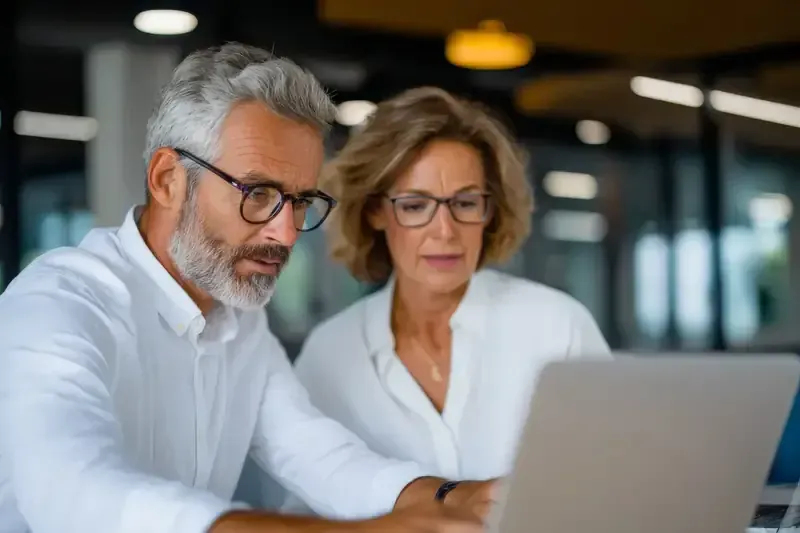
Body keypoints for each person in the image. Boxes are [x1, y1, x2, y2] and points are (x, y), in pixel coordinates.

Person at [0, 44, 493, 533]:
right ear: (169, 179)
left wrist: (458, 498)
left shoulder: (238, 321)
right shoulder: (56, 306)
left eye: (300, 201)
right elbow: (76, 492)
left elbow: (320, 456)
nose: (286, 233)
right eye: (258, 194)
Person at [284, 87, 611, 512]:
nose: (445, 230)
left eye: (465, 202)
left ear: (490, 211)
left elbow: (613, 482)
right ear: (375, 211)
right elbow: (305, 514)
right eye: (416, 205)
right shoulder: (329, 354)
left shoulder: (557, 327)